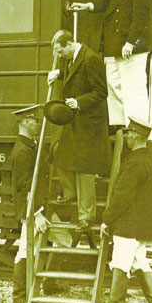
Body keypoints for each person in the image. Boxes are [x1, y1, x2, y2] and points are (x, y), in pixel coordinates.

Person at [69, 0, 152, 127]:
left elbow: (141, 17)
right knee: (115, 88)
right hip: (116, 48)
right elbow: (111, 4)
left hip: (130, 49)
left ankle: (138, 129)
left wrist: (130, 42)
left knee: (133, 89)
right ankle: (121, 126)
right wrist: (88, 6)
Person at [101, 116, 152, 303]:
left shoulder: (134, 162)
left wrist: (107, 220)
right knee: (140, 263)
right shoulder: (149, 161)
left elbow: (121, 197)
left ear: (136, 135)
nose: (126, 136)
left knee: (120, 263)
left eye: (129, 133)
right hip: (141, 228)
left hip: (128, 226)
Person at [46, 30, 111, 232]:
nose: (60, 57)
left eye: (61, 52)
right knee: (57, 153)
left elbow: (101, 92)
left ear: (69, 44)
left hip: (90, 123)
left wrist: (79, 102)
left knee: (85, 169)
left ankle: (86, 216)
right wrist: (59, 74)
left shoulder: (91, 59)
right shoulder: (73, 58)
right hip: (77, 120)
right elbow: (74, 75)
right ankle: (70, 192)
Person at [10, 104, 72, 303]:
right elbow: (23, 186)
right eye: (34, 120)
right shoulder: (21, 151)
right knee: (26, 251)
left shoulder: (30, 146)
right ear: (25, 122)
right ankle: (20, 298)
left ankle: (48, 282)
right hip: (33, 211)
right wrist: (35, 214)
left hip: (42, 209)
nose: (37, 123)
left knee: (65, 240)